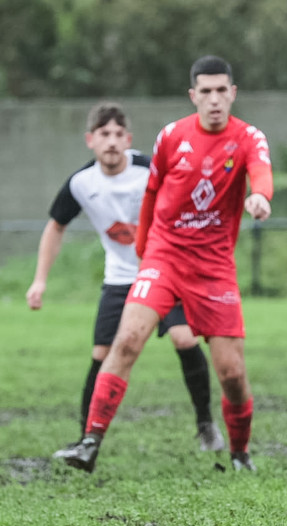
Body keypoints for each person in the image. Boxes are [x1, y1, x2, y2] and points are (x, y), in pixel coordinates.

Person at [55, 56, 273, 474]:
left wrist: (260, 195)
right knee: (127, 341)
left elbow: (261, 172)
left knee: (231, 371)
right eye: (205, 91)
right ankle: (90, 442)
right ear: (193, 95)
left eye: (221, 90)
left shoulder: (248, 137)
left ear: (232, 93)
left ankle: (240, 452)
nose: (213, 99)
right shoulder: (172, 136)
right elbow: (153, 193)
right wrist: (144, 251)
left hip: (213, 267)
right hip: (165, 256)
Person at [27, 101, 224, 456]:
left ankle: (205, 425)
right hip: (119, 279)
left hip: (165, 271)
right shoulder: (81, 183)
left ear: (129, 138)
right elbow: (55, 226)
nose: (112, 141)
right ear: (90, 139)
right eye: (104, 134)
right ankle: (86, 440)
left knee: (183, 338)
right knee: (102, 354)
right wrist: (40, 280)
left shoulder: (150, 170)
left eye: (119, 134)